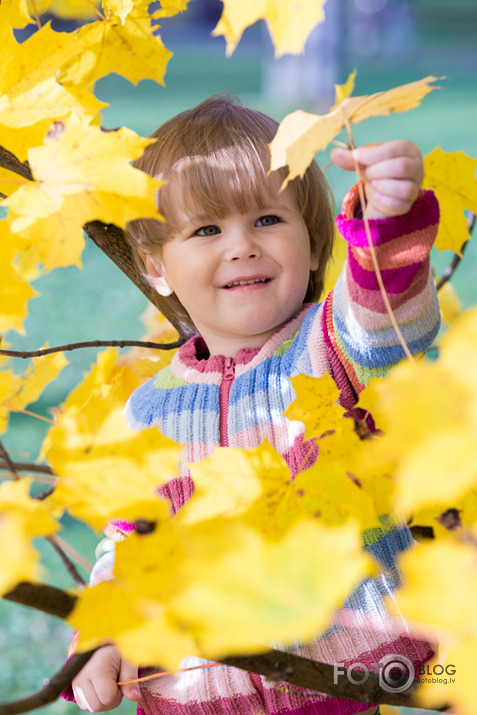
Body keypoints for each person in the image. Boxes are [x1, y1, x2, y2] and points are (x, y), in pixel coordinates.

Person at [66, 95, 440, 715]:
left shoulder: (328, 346)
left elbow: (383, 318)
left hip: (343, 679)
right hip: (195, 695)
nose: (241, 246)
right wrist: (104, 639)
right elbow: (129, 544)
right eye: (208, 229)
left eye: (268, 220)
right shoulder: (144, 413)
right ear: (156, 265)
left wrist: (387, 225)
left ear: (315, 243)